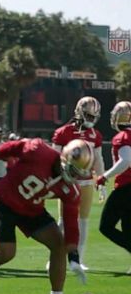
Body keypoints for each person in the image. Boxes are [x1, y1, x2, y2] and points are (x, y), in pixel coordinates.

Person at [0, 137, 94, 294]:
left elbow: (71, 223)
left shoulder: (71, 191)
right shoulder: (38, 151)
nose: (74, 177)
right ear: (64, 159)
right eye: (73, 171)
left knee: (58, 245)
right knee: (6, 254)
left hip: (31, 209)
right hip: (4, 202)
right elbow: (11, 147)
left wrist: (74, 258)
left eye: (79, 173)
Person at [51, 96, 105, 274]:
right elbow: (53, 158)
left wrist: (101, 180)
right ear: (80, 113)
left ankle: (78, 259)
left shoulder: (95, 135)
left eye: (93, 116)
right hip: (68, 181)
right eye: (88, 115)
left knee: (83, 222)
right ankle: (55, 257)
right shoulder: (63, 132)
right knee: (63, 223)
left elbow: (98, 159)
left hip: (87, 181)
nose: (90, 119)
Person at [96, 101, 131, 274]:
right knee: (128, 226)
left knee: (106, 226)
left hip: (126, 187)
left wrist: (104, 176)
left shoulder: (123, 136)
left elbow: (126, 161)